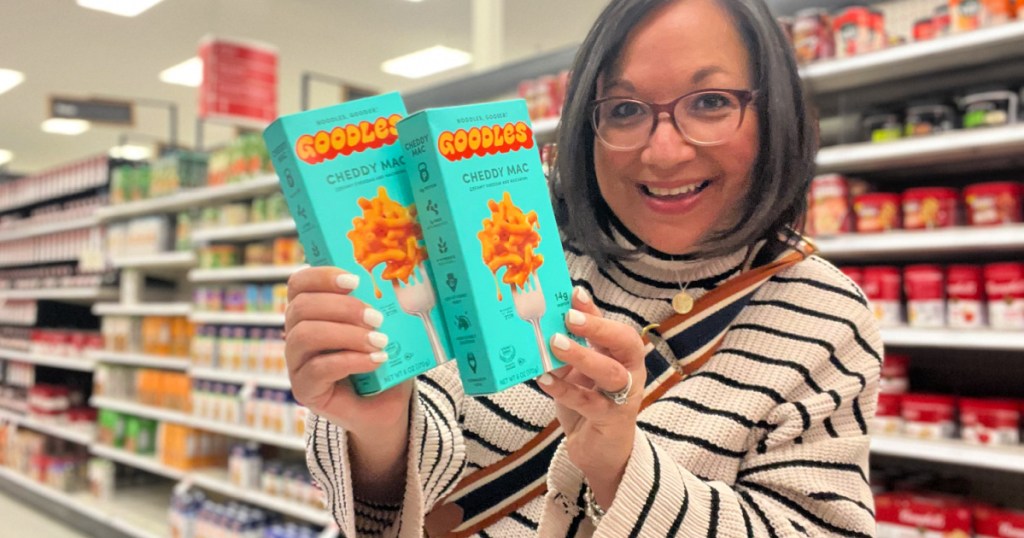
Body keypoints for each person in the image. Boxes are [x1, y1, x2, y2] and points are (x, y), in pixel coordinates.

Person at [284, 0, 881, 536]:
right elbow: (396, 489)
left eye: (710, 102)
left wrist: (622, 468)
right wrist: (380, 430)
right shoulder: (516, 247)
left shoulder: (825, 316)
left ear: (775, 111)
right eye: (624, 109)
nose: (663, 152)